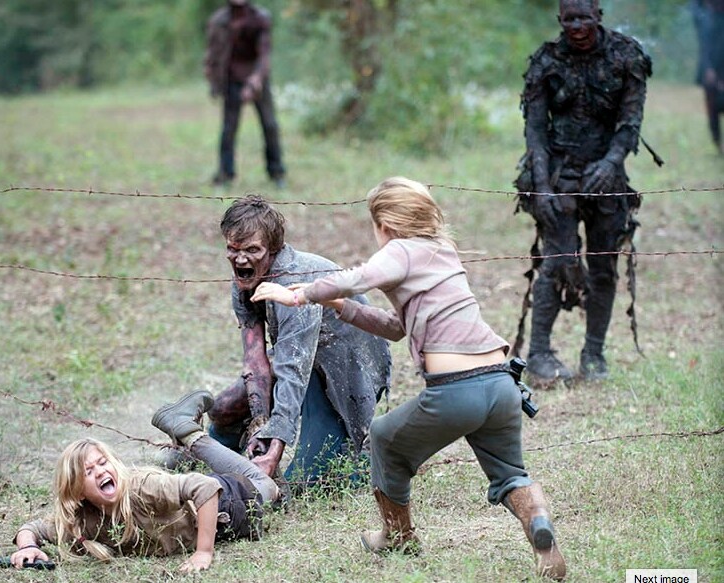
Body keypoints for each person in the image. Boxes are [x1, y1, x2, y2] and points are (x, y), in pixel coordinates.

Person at [252, 177, 567, 580]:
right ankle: (537, 520)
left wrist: (299, 294)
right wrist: (340, 305)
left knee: (384, 437)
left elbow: (359, 276)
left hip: (457, 390)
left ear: (384, 224)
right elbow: (397, 327)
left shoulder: (400, 250)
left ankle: (397, 535)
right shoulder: (442, 251)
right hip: (501, 384)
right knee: (510, 475)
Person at [203, 196, 391, 491]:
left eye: (252, 250)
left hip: (344, 370)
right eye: (233, 249)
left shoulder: (293, 283)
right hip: (300, 356)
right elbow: (255, 362)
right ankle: (208, 456)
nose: (240, 260)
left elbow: (293, 372)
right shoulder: (243, 283)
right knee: (223, 407)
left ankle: (370, 458)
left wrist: (274, 449)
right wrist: (260, 425)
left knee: (306, 482)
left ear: (272, 249)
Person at [514, 0, 652, 384]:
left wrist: (610, 164)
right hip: (558, 172)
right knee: (556, 261)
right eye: (569, 19)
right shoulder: (546, 61)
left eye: (584, 18)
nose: (577, 27)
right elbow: (535, 131)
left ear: (598, 17)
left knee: (604, 265)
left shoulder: (626, 56)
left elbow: (630, 122)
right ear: (560, 20)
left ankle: (594, 354)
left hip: (607, 175)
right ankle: (539, 354)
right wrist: (542, 188)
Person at [10, 391, 279, 572]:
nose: (100, 471)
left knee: (270, 488)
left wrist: (203, 552)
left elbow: (206, 488)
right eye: (88, 472)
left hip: (227, 503)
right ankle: (181, 446)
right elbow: (33, 528)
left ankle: (189, 434)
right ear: (78, 492)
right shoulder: (85, 520)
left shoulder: (140, 487)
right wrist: (28, 547)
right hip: (196, 499)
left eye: (102, 463)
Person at [204, 0, 286, 186]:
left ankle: (277, 172)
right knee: (229, 129)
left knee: (270, 125)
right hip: (231, 80)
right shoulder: (219, 21)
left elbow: (264, 54)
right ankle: (225, 174)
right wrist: (213, 78)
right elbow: (212, 53)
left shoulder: (260, 18)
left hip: (257, 79)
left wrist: (256, 79)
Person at [692, 0, 724, 153]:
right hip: (710, 69)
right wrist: (708, 69)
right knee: (712, 109)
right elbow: (705, 47)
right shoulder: (706, 19)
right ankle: (717, 143)